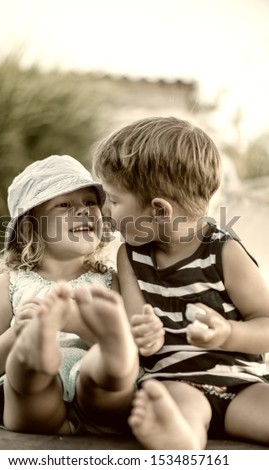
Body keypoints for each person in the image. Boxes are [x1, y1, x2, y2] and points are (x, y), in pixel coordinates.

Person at [92, 116, 269, 449]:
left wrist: (229, 333)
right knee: (178, 408)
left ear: (159, 210)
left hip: (242, 385)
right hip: (176, 383)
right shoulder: (130, 256)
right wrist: (140, 333)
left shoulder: (224, 251)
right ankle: (182, 442)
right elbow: (134, 327)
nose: (104, 209)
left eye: (114, 200)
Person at [0, 154, 139, 435]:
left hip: (96, 398)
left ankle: (111, 350)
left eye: (90, 202)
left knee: (104, 371)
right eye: (64, 204)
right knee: (27, 377)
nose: (84, 211)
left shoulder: (110, 281)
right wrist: (17, 335)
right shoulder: (9, 284)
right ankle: (35, 351)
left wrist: (83, 327)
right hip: (36, 401)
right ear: (30, 227)